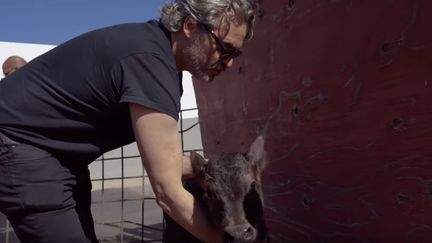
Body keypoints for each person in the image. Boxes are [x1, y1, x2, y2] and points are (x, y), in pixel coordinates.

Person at [0, 0, 260, 242]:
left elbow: (166, 162)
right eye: (225, 49)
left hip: (59, 157)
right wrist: (230, 239)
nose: (230, 63)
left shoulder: (158, 60)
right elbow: (168, 191)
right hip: (19, 144)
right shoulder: (148, 62)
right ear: (190, 26)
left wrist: (220, 172)